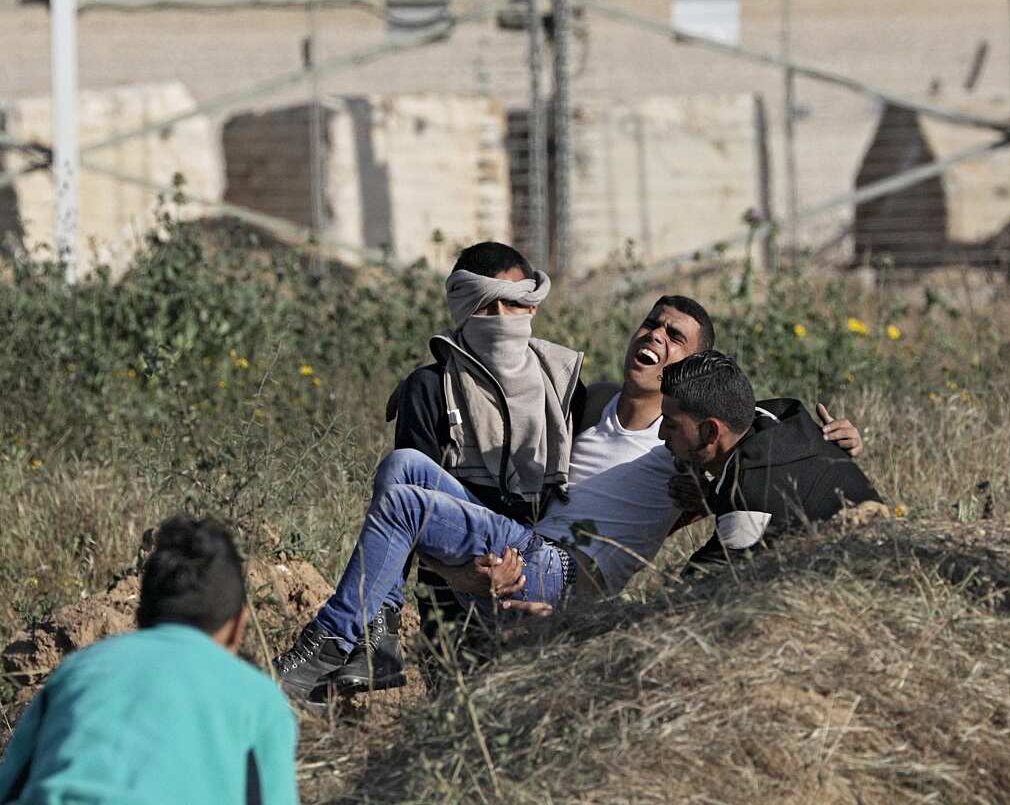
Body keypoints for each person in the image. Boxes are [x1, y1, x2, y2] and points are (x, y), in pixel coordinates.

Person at [274, 296, 864, 697]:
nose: (655, 336)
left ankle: (333, 640)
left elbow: (757, 444)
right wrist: (426, 385)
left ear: (697, 365)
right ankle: (375, 632)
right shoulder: (584, 402)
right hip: (519, 542)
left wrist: (839, 443)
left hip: (563, 572)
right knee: (405, 463)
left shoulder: (684, 441)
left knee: (406, 504)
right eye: (651, 324)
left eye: (675, 337)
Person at [283, 241, 585, 697]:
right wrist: (462, 578)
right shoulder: (431, 387)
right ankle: (375, 633)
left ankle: (346, 641)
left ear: (533, 306)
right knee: (403, 467)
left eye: (517, 302)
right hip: (451, 580)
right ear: (465, 309)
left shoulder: (562, 385)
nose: (506, 318)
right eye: (490, 306)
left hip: (530, 567)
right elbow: (404, 516)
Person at [0, 514, 298, 805]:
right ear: (238, 627)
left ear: (141, 614)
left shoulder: (77, 670)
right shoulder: (259, 699)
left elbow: (10, 786)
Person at [657, 350, 884, 566]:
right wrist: (712, 495)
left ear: (711, 432)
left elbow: (696, 586)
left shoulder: (749, 496)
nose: (661, 434)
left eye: (671, 425)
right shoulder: (783, 415)